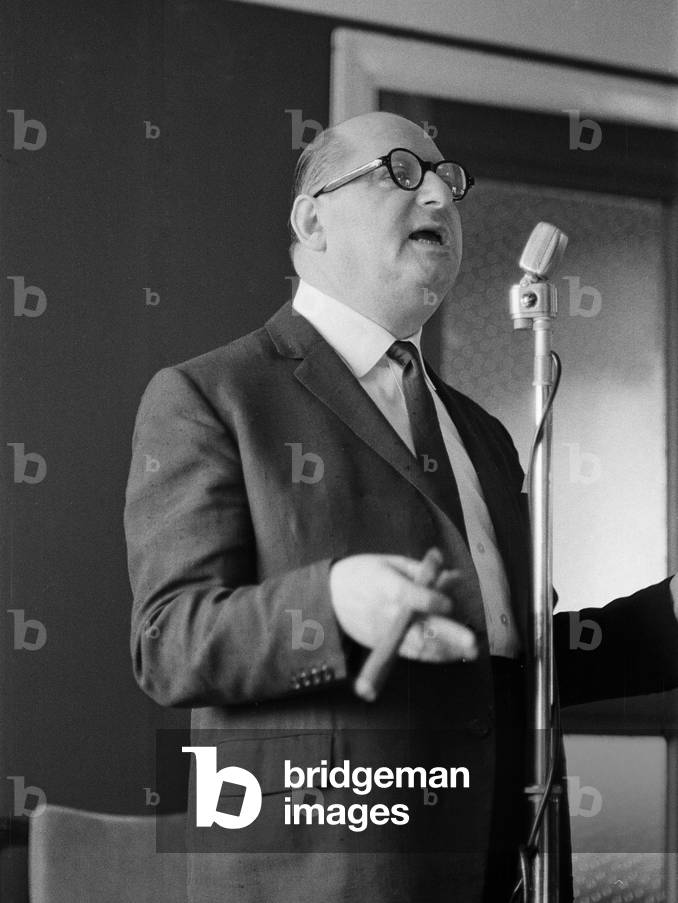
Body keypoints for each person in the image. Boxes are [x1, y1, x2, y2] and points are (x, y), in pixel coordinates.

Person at [125, 111, 678, 903]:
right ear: (312, 218)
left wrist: (666, 624)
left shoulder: (482, 431)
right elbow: (168, 641)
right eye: (401, 172)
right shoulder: (211, 396)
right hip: (326, 875)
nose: (441, 200)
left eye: (450, 182)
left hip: (507, 866)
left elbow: (503, 660)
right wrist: (336, 604)